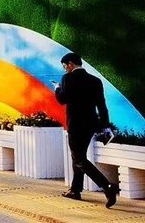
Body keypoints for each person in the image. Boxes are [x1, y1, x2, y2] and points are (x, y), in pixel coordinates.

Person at [54, 52, 120, 208]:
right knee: (79, 156)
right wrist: (105, 126)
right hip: (91, 124)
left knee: (78, 159)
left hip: (75, 124)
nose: (65, 69)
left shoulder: (67, 78)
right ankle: (75, 190)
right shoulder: (95, 81)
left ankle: (107, 186)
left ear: (70, 64)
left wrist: (57, 89)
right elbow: (102, 105)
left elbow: (62, 99)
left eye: (65, 66)